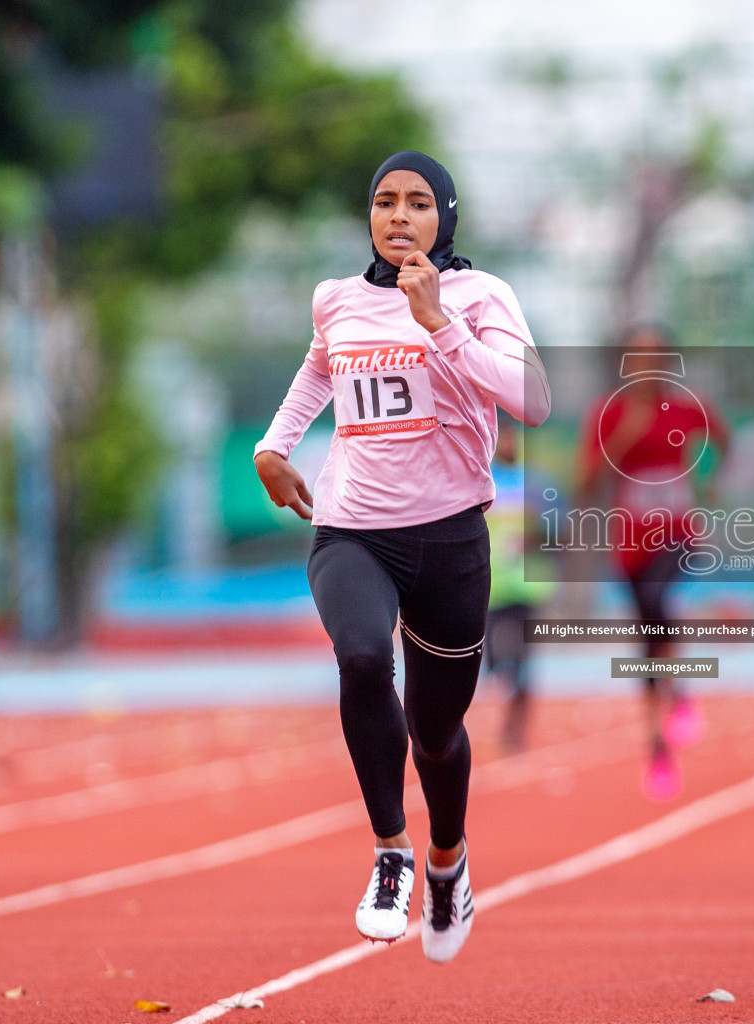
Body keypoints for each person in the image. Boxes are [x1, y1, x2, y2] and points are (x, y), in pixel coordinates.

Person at [253, 151, 549, 960]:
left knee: (437, 731)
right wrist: (276, 445)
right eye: (385, 202)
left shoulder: (482, 296)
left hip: (452, 538)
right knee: (358, 659)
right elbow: (320, 368)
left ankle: (447, 861)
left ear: (445, 217)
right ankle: (391, 854)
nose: (399, 216)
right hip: (352, 529)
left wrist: (439, 324)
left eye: (418, 203)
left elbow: (533, 399)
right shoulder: (336, 300)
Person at [574, 325, 728, 801]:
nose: (647, 365)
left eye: (656, 355)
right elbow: (586, 479)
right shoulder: (610, 411)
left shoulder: (687, 405)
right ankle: (658, 746)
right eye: (638, 356)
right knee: (647, 640)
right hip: (631, 543)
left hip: (678, 532)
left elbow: (721, 442)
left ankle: (679, 693)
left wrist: (707, 483)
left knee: (660, 601)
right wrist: (624, 437)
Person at [483, 414, 558, 751]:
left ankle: (515, 728)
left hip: (529, 587)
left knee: (523, 660)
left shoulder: (537, 485)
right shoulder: (482, 483)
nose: (509, 444)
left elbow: (559, 532)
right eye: (504, 438)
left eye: (514, 438)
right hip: (492, 589)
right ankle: (506, 686)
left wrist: (537, 534)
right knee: (496, 659)